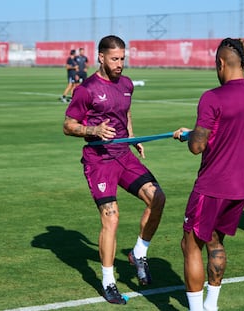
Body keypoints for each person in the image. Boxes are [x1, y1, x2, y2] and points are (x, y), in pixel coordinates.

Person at [63, 35, 165, 305]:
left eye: (123, 58)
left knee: (158, 198)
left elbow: (126, 113)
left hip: (124, 155)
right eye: (114, 59)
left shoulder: (127, 84)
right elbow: (68, 125)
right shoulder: (87, 89)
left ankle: (138, 253)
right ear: (101, 57)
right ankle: (108, 281)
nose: (120, 64)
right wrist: (93, 130)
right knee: (112, 217)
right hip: (99, 160)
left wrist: (133, 138)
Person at [173, 38, 244, 311]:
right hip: (240, 187)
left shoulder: (212, 97)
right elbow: (226, 131)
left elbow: (197, 146)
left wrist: (189, 136)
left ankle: (195, 309)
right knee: (215, 241)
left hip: (212, 185)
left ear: (221, 63)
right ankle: (211, 305)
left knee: (190, 245)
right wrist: (201, 130)